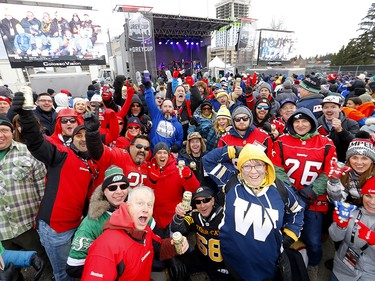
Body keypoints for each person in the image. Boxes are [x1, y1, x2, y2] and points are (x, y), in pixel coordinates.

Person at [13, 92, 101, 281]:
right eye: (79, 135)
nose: (83, 138)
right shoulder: (62, 155)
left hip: (78, 226)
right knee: (63, 275)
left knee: (76, 270)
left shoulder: (92, 164)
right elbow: (37, 144)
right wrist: (27, 115)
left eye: (87, 135)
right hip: (56, 228)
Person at [202, 144, 304, 280]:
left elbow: (297, 211)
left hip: (266, 264)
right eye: (247, 166)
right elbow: (207, 160)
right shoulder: (230, 181)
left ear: (266, 167)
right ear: (240, 168)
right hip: (232, 258)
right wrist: (234, 151)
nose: (253, 171)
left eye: (258, 165)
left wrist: (290, 236)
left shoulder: (281, 190)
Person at [272, 108, 337, 279]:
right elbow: (276, 167)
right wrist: (291, 192)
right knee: (283, 236)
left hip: (314, 200)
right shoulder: (281, 141)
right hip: (288, 198)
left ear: (312, 123)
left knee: (314, 242)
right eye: (296, 121)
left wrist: (312, 191)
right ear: (291, 124)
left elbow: (329, 170)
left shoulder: (326, 143)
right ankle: (284, 264)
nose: (300, 125)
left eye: (305, 121)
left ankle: (313, 265)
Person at [81, 186, 189, 281]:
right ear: (128, 206)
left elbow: (158, 248)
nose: (145, 209)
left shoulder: (144, 230)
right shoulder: (105, 247)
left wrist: (175, 245)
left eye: (150, 205)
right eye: (140, 203)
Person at [0, 114, 49, 280]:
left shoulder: (28, 153)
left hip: (28, 226)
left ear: (12, 132)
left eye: (4, 130)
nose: (1, 135)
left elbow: (43, 188)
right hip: (1, 232)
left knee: (43, 266)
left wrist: (43, 220)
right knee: (8, 273)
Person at [66, 166, 130, 278]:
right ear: (104, 192)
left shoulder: (134, 209)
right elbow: (74, 267)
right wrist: (112, 269)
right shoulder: (92, 222)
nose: (119, 191)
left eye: (123, 186)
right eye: (113, 188)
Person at [170, 186, 233, 281]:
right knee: (177, 268)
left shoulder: (225, 217)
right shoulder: (195, 215)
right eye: (198, 202)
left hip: (221, 264)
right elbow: (177, 228)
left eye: (206, 200)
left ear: (212, 200)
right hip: (200, 257)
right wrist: (179, 216)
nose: (202, 205)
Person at [84, 111, 150, 188]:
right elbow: (98, 152)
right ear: (131, 146)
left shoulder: (145, 166)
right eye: (139, 146)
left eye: (146, 148)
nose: (142, 150)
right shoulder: (120, 155)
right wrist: (92, 133)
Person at [146, 142, 200, 232]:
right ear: (155, 155)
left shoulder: (178, 169)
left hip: (172, 217)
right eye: (159, 153)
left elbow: (194, 189)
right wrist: (151, 181)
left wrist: (189, 177)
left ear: (169, 154)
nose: (162, 156)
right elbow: (145, 193)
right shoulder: (149, 168)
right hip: (154, 217)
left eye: (165, 153)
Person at [329, 176, 375, 281]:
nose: (372, 202)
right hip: (341, 267)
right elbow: (335, 238)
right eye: (368, 195)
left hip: (368, 274)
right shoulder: (351, 212)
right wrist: (340, 226)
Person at [327, 131, 375, 206]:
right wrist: (334, 181)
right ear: (348, 159)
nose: (359, 162)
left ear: (372, 160)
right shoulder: (344, 172)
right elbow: (337, 201)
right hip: (355, 211)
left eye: (364, 158)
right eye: (354, 158)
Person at [317, 95, 359, 162]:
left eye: (333, 107)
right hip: (321, 162)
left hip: (342, 162)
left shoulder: (352, 123)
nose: (329, 110)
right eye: (326, 107)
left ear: (340, 108)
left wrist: (341, 131)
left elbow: (355, 144)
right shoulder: (316, 124)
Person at [144, 81, 183, 150]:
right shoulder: (156, 115)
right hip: (153, 152)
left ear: (173, 109)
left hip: (167, 154)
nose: (167, 109)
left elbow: (179, 140)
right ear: (161, 107)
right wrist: (148, 88)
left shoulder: (178, 125)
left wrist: (176, 145)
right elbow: (150, 101)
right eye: (165, 106)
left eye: (170, 107)